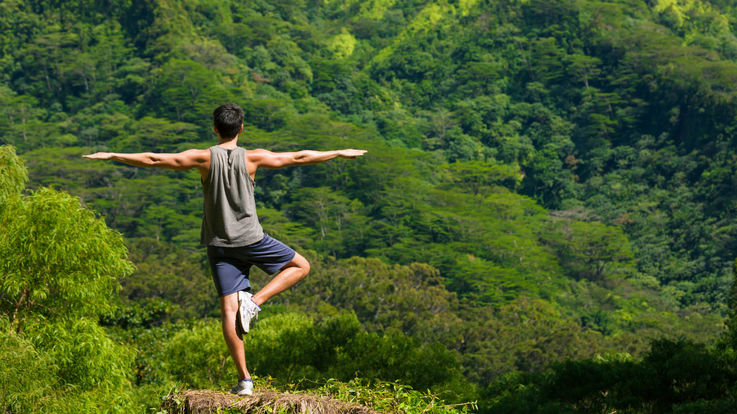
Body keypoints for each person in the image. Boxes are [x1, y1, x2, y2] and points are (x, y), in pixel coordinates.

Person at [84, 103, 366, 396]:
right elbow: (298, 156)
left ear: (215, 128)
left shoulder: (203, 158)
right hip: (253, 240)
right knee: (301, 266)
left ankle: (245, 380)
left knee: (229, 311)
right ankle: (255, 302)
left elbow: (155, 159)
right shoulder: (252, 158)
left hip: (219, 245)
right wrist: (339, 152)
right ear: (241, 129)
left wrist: (114, 155)